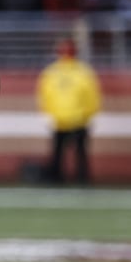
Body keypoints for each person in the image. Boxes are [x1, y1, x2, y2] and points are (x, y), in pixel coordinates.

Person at [36, 39, 100, 184]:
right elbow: (45, 95)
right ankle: (57, 179)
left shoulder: (83, 71)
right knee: (58, 153)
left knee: (80, 153)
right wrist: (49, 114)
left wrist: (87, 115)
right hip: (59, 121)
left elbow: (92, 96)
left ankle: (82, 180)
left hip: (79, 120)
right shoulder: (52, 72)